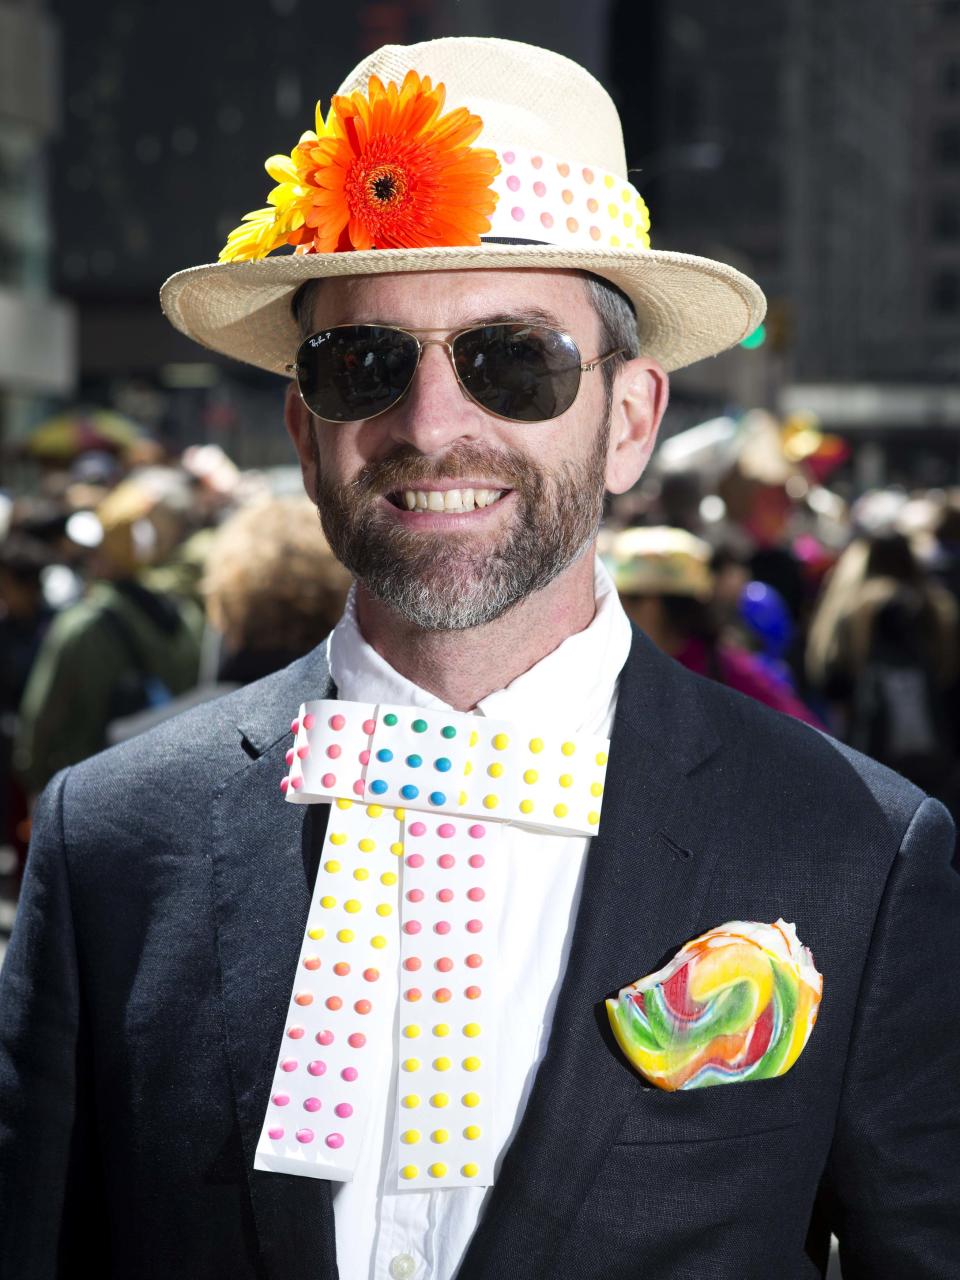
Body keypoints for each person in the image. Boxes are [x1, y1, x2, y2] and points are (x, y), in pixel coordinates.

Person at [1, 36, 958, 1280]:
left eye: (515, 359)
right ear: (305, 428)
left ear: (628, 419)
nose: (432, 422)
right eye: (365, 363)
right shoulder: (111, 840)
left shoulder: (853, 854)